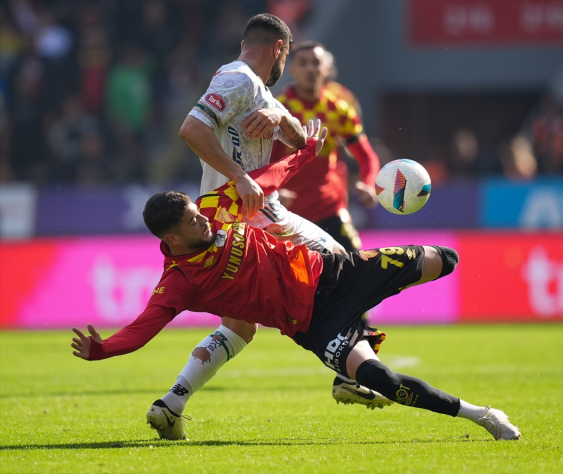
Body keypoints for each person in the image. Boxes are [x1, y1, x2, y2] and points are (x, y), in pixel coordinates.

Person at [71, 120, 521, 442]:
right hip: (313, 327)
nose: (203, 219)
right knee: (379, 378)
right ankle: (483, 416)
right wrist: (103, 349)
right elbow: (141, 328)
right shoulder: (178, 283)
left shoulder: (214, 209)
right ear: (172, 238)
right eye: (192, 221)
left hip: (338, 273)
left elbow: (264, 180)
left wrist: (304, 154)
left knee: (446, 260)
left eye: (197, 210)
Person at [170, 12, 388, 436]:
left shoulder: (258, 88)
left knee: (238, 326)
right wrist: (241, 176)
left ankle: (171, 403)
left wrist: (276, 118)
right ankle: (349, 372)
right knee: (340, 259)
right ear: (281, 50)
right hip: (255, 210)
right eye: (296, 58)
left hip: (226, 222)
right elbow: (191, 128)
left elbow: (299, 138)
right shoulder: (239, 80)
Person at [270, 41, 380, 252]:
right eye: (303, 63)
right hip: (288, 212)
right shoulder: (278, 109)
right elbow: (267, 159)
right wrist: (274, 191)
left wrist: (368, 183)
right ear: (291, 69)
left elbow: (366, 156)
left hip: (330, 208)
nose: (310, 68)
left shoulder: (339, 110)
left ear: (326, 68)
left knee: (354, 268)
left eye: (316, 63)